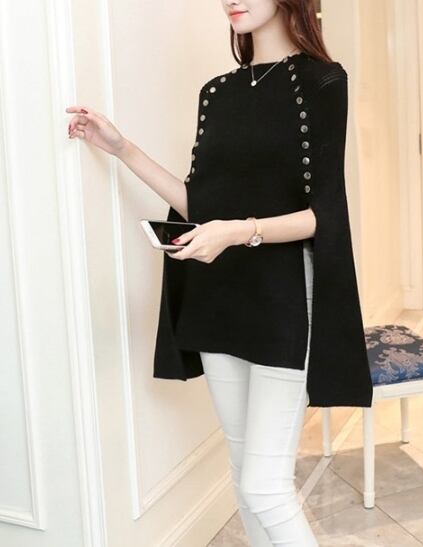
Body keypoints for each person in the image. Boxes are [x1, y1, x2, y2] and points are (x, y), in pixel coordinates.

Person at [66, 1, 373, 545]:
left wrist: (237, 231)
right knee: (242, 471)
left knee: (265, 487)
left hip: (285, 300)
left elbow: (323, 215)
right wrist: (122, 149)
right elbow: (199, 202)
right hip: (219, 297)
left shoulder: (324, 82)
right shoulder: (216, 92)